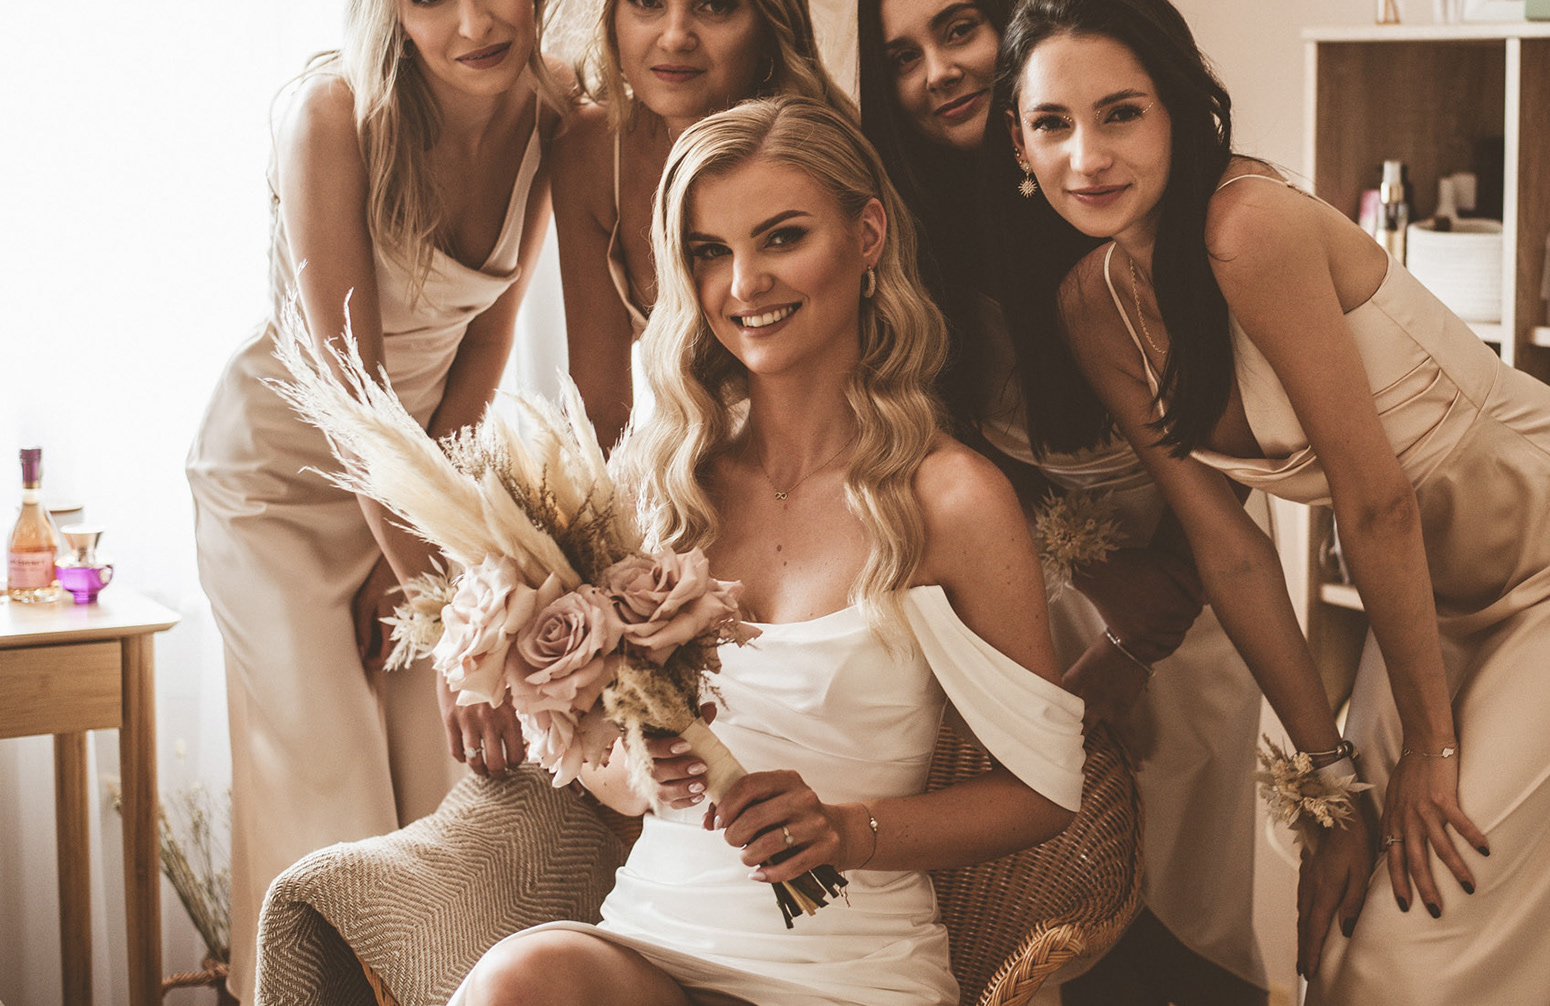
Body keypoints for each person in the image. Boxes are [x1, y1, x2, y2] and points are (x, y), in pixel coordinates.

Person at [992, 0, 1550, 1002]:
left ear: (1180, 111)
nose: (1086, 156)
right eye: (1052, 124)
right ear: (1019, 147)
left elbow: (1376, 501)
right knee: (1348, 922)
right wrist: (1328, 787)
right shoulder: (1091, 308)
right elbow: (1229, 550)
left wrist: (1430, 747)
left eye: (1121, 114)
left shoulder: (1247, 228)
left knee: (1421, 926)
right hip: (1428, 595)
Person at [453, 96, 1084, 1006]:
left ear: (867, 236)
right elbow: (615, 780)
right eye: (709, 251)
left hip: (846, 973)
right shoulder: (660, 485)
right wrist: (640, 765)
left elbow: (1045, 792)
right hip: (655, 947)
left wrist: (848, 829)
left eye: (782, 238)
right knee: (516, 980)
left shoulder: (952, 499)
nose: (744, 284)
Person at [855, 0, 1266, 1004]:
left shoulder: (1120, 195)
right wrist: (1086, 581)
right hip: (1026, 582)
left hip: (1196, 568)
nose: (938, 71)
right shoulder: (906, 236)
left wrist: (1147, 625)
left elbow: (1233, 440)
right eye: (902, 56)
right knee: (1049, 915)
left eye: (959, 30)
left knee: (1191, 907)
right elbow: (940, 439)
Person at [186, 0, 571, 1005]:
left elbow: (483, 353)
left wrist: (410, 565)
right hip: (278, 486)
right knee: (329, 792)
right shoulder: (334, 116)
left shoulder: (552, 113)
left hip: (408, 495)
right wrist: (445, 606)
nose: (473, 22)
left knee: (442, 794)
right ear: (389, 7)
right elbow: (349, 396)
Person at [554, 0, 856, 451]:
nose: (675, 37)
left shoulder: (826, 156)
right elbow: (598, 409)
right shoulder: (591, 149)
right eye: (646, 0)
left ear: (769, 20)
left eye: (715, 5)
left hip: (839, 454)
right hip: (688, 463)